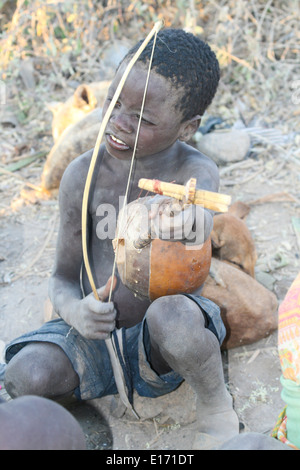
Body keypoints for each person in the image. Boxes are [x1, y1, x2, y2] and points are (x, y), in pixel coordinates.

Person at [4, 28, 239, 447]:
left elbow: (202, 220)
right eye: (113, 100)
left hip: (160, 341)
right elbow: (61, 276)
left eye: (143, 119)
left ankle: (215, 404)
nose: (117, 121)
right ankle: (84, 406)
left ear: (187, 128)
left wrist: (185, 222)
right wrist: (76, 312)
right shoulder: (82, 175)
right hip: (93, 336)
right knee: (26, 375)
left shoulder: (194, 173)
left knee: (175, 319)